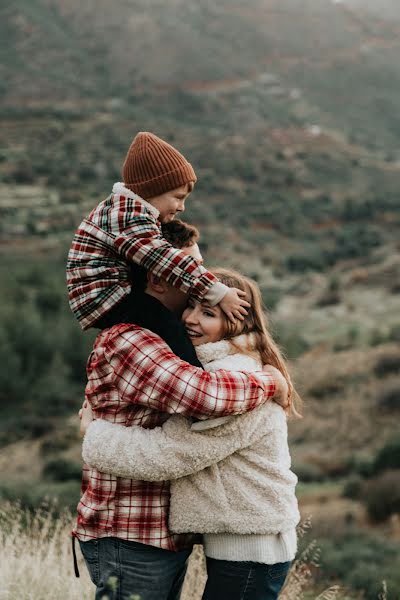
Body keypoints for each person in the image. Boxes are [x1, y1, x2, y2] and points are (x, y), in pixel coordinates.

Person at [73, 222, 289, 600]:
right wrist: (273, 383)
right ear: (160, 276)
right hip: (130, 532)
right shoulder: (134, 339)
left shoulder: (226, 366)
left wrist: (95, 435)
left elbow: (183, 442)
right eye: (191, 271)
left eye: (208, 309)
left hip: (210, 541)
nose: (201, 278)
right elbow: (199, 401)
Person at [66, 131, 249, 333]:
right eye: (178, 197)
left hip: (111, 295)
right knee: (170, 329)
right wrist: (218, 292)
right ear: (152, 190)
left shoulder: (122, 210)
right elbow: (165, 259)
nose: (182, 207)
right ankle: (191, 365)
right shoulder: (128, 217)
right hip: (108, 299)